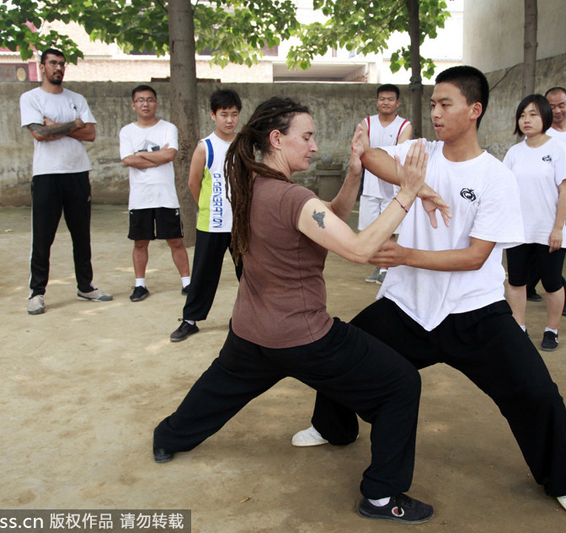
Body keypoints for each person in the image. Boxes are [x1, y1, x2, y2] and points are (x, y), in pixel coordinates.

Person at [291, 66, 566, 519]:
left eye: (445, 104)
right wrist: (420, 187)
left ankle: (562, 478)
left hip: (475, 312)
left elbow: (475, 257)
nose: (435, 112)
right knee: (344, 354)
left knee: (537, 394)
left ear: (474, 109)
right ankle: (332, 428)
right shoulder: (420, 153)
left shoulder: (495, 176)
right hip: (408, 306)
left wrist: (405, 254)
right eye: (432, 104)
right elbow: (371, 157)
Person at [153, 97, 448, 524]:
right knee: (400, 384)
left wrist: (354, 173)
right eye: (306, 137)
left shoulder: (250, 184)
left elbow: (328, 222)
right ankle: (382, 497)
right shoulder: (294, 197)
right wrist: (408, 191)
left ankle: (168, 437)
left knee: (218, 389)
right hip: (304, 339)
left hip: (251, 331)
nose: (314, 146)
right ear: (277, 138)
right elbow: (358, 249)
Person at [20, 48, 112, 315]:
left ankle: (86, 286)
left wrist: (56, 126)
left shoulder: (76, 98)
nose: (58, 68)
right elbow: (40, 134)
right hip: (47, 175)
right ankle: (37, 293)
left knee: (81, 235)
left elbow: (90, 134)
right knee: (43, 237)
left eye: (61, 64)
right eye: (53, 63)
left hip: (78, 173)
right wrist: (74, 124)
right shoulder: (31, 98)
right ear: (42, 67)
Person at [170, 89, 243, 341]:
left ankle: (249, 318)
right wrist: (211, 208)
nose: (229, 120)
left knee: (249, 274)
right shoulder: (205, 146)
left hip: (240, 226)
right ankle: (190, 320)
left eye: (234, 114)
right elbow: (194, 183)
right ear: (213, 115)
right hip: (212, 224)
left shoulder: (244, 144)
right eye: (224, 114)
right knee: (203, 274)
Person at [503, 94, 566, 351]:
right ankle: (519, 327)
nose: (526, 120)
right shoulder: (514, 153)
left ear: (544, 116)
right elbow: (504, 189)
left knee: (552, 283)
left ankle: (551, 331)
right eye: (522, 115)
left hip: (548, 231)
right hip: (518, 231)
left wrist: (558, 229)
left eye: (533, 114)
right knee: (516, 281)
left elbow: (565, 191)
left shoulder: (558, 149)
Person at [120, 85, 190, 302]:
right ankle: (140, 285)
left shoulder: (168, 128)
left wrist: (140, 155)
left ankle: (187, 283)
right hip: (140, 198)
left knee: (175, 241)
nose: (145, 104)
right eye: (140, 100)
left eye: (150, 100)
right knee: (140, 242)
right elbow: (127, 160)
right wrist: (158, 155)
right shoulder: (127, 131)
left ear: (156, 103)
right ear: (133, 105)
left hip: (165, 196)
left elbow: (170, 156)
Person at [526, 87, 566, 316]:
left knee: (549, 250)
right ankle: (559, 294)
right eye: (551, 107)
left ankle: (542, 289)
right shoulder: (539, 134)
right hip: (541, 204)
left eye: (561, 105)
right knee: (541, 251)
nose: (557, 110)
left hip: (562, 201)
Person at [358, 84, 413, 284]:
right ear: (377, 101)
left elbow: (400, 152)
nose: (386, 102)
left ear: (397, 102)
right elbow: (364, 151)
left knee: (390, 229)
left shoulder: (404, 125)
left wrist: (378, 157)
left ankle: (386, 269)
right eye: (382, 99)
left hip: (393, 184)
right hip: (370, 185)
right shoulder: (366, 123)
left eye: (390, 99)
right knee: (372, 228)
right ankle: (379, 266)